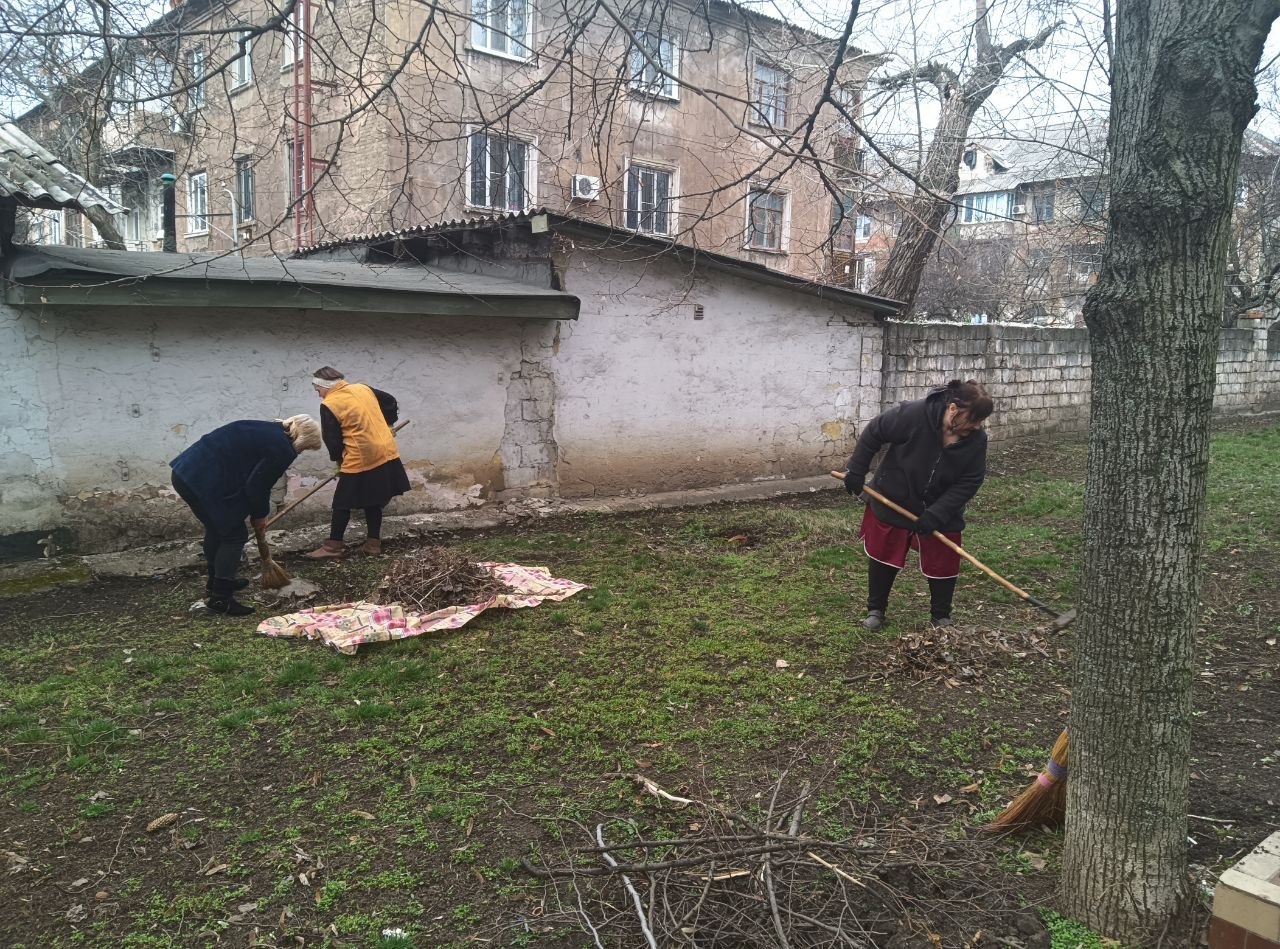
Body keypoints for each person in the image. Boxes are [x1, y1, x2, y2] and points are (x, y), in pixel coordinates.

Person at [842, 379, 993, 631]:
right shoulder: (913, 414)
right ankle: (876, 610)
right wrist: (856, 470)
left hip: (940, 509)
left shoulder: (976, 440)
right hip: (894, 497)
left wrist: (938, 513)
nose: (976, 426)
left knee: (944, 558)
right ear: (954, 409)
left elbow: (970, 480)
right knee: (884, 554)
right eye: (973, 419)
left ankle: (941, 617)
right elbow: (875, 431)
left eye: (980, 421)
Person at [170, 415, 322, 615]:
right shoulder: (282, 449)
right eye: (305, 448)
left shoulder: (264, 428)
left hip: (186, 473)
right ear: (303, 439)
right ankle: (220, 600)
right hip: (204, 482)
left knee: (217, 529)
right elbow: (257, 486)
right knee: (234, 535)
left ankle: (217, 582)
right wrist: (260, 514)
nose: (301, 452)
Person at [305, 366, 411, 558]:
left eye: (317, 390)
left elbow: (332, 440)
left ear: (324, 385)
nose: (319, 395)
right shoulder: (363, 388)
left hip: (361, 457)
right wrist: (389, 424)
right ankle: (373, 544)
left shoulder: (330, 403)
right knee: (374, 500)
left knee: (341, 503)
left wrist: (338, 462)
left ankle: (332, 547)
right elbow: (389, 401)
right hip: (386, 452)